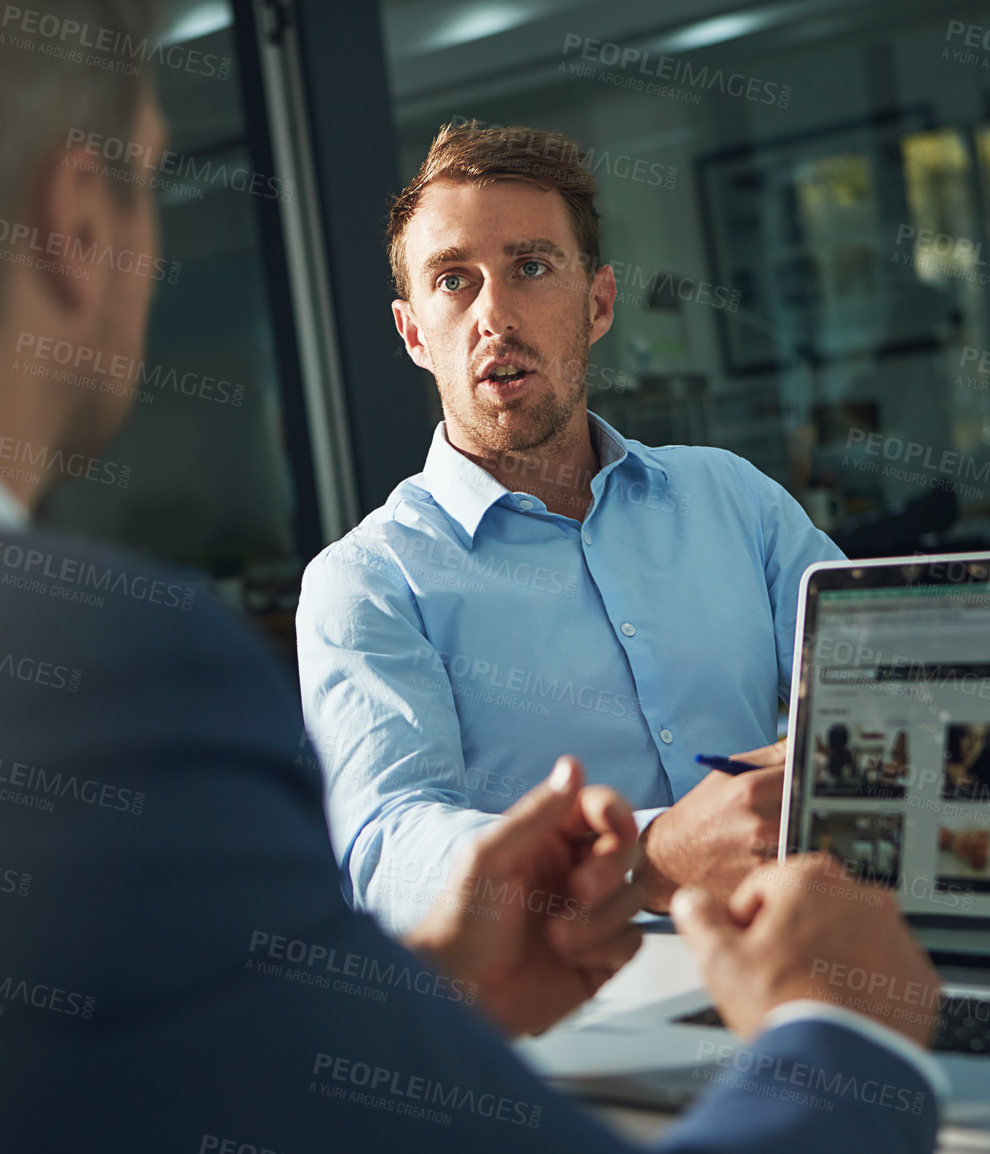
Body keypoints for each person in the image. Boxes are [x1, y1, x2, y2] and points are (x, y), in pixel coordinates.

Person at [0, 1, 946, 1151]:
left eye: (529, 267)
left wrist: (424, 991)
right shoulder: (84, 673)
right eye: (145, 177)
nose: (493, 311)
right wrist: (842, 1038)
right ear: (76, 222)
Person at [296, 121, 844, 931]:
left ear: (597, 302)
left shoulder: (733, 498)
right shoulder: (369, 583)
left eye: (530, 267)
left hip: (791, 953)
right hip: (575, 1017)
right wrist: (645, 860)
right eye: (453, 280)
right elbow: (388, 854)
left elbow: (877, 708)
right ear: (413, 333)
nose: (494, 315)